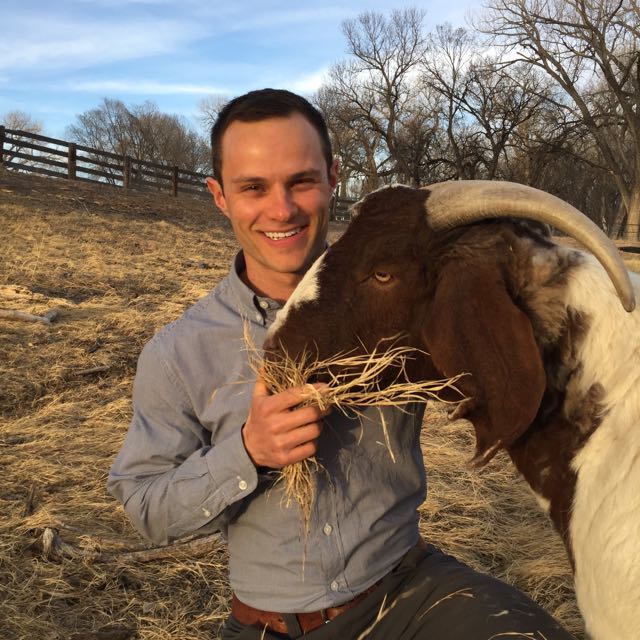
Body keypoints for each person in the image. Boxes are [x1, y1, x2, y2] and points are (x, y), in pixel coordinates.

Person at [108, 88, 575, 639]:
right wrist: (249, 452)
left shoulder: (404, 291)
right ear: (220, 196)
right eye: (253, 187)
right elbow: (146, 507)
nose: (282, 209)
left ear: (333, 177)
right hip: (271, 626)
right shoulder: (178, 351)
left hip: (411, 591)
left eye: (301, 181)